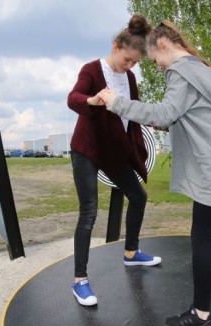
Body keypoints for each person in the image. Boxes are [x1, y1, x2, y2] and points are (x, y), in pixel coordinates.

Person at [98, 20, 211, 326]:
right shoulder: (202, 69)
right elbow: (191, 117)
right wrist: (169, 123)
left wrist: (116, 103)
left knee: (201, 236)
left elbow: (164, 112)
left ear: (164, 46)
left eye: (155, 60)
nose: (157, 66)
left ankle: (201, 316)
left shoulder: (178, 71)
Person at [67, 15, 162, 307]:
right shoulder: (92, 70)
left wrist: (147, 134)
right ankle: (79, 281)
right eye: (128, 59)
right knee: (89, 212)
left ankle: (131, 253)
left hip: (115, 150)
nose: (130, 65)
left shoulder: (130, 79)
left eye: (135, 62)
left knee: (138, 197)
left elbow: (131, 115)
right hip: (86, 149)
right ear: (116, 45)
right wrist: (91, 101)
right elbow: (73, 98)